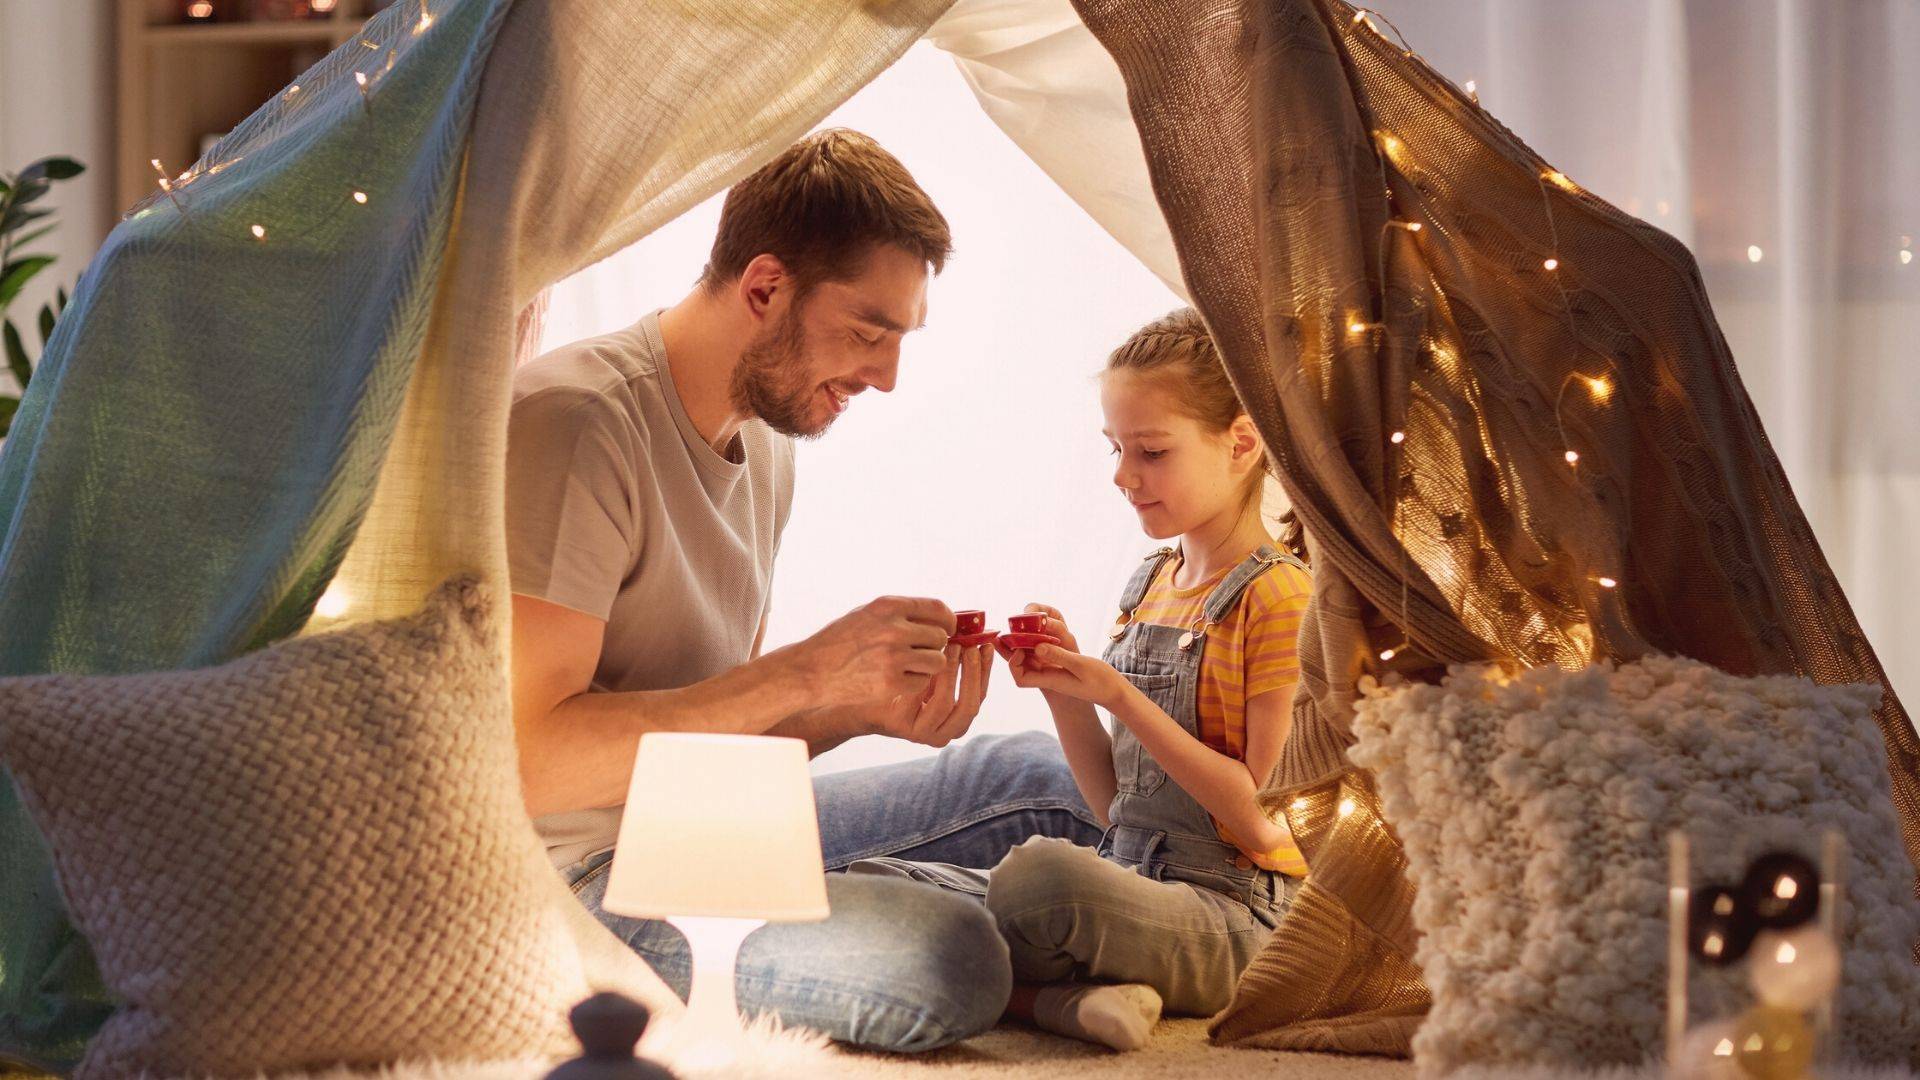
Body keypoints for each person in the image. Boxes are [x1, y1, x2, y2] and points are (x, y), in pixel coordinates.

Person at [503, 128, 1098, 1054]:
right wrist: (808, 669)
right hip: (586, 885)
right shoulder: (575, 424)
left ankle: (1040, 932)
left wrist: (853, 707)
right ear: (766, 287)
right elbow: (531, 761)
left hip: (707, 825)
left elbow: (717, 743)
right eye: (869, 331)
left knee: (1049, 782)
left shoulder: (770, 441)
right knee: (950, 958)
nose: (887, 378)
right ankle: (1028, 941)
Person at [851, 308, 1315, 1051]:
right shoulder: (1150, 583)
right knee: (871, 885)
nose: (1123, 477)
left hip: (1230, 915)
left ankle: (1031, 990)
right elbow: (1114, 810)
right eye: (1115, 449)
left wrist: (1117, 693)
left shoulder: (1280, 596)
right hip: (1127, 877)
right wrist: (1066, 693)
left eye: (1152, 452)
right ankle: (1061, 1003)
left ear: (1241, 443)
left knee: (1039, 883)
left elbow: (1264, 820)